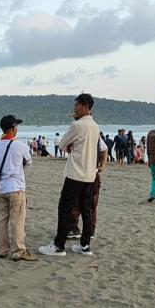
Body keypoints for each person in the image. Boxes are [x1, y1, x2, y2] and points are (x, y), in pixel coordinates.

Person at [39, 93, 99, 257]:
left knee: (64, 208)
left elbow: (63, 143)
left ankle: (59, 245)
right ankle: (85, 245)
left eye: (77, 105)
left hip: (75, 174)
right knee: (86, 209)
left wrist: (70, 146)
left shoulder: (77, 125)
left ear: (86, 107)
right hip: (89, 174)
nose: (75, 108)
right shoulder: (95, 126)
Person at [0, 115, 37, 261]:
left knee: (2, 220)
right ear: (13, 129)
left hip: (1, 188)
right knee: (17, 220)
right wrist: (18, 167)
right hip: (16, 187)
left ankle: (2, 249)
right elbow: (29, 163)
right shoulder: (21, 145)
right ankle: (19, 250)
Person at [67, 135, 108, 240]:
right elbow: (104, 149)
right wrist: (102, 165)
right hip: (88, 174)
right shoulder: (93, 135)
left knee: (81, 203)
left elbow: (104, 149)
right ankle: (85, 231)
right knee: (89, 204)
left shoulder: (83, 134)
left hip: (83, 174)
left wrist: (103, 165)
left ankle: (78, 229)